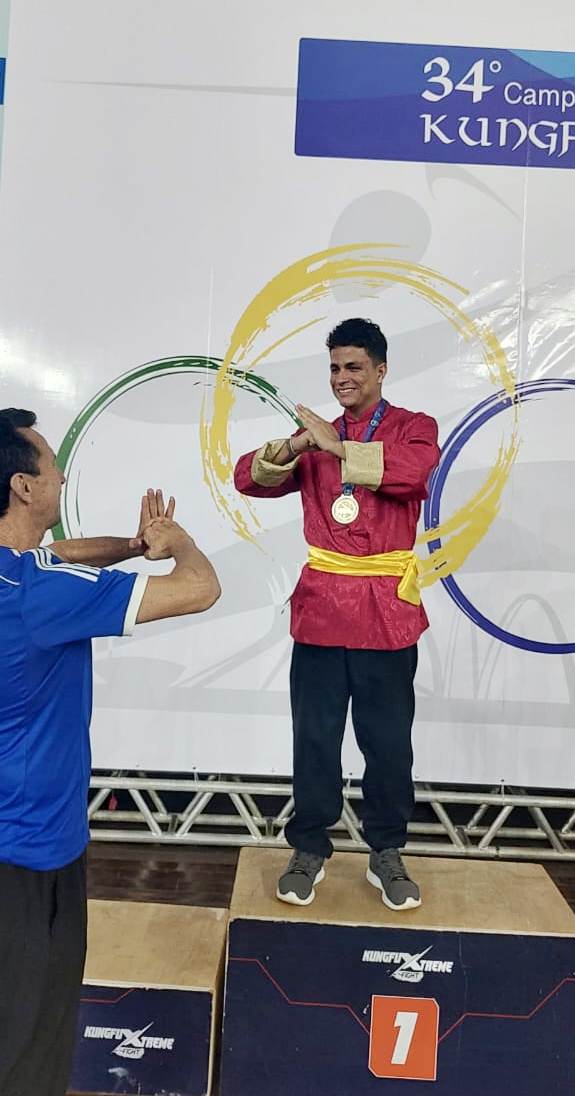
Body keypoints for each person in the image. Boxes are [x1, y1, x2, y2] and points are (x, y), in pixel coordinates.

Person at [0, 407, 220, 1096]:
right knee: (26, 1051)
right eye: (51, 464)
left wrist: (128, 544)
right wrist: (178, 542)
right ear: (23, 487)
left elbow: (62, 553)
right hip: (26, 863)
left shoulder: (24, 576)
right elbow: (200, 589)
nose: (62, 474)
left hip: (31, 847)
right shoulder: (39, 597)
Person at [234, 318, 440, 910]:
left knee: (389, 744)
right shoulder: (315, 436)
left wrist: (337, 448)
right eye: (334, 367)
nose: (341, 377)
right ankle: (308, 848)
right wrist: (298, 445)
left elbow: (412, 473)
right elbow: (248, 478)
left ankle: (387, 851)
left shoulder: (414, 427)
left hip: (386, 617)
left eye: (353, 366)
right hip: (322, 611)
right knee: (315, 739)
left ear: (380, 369)